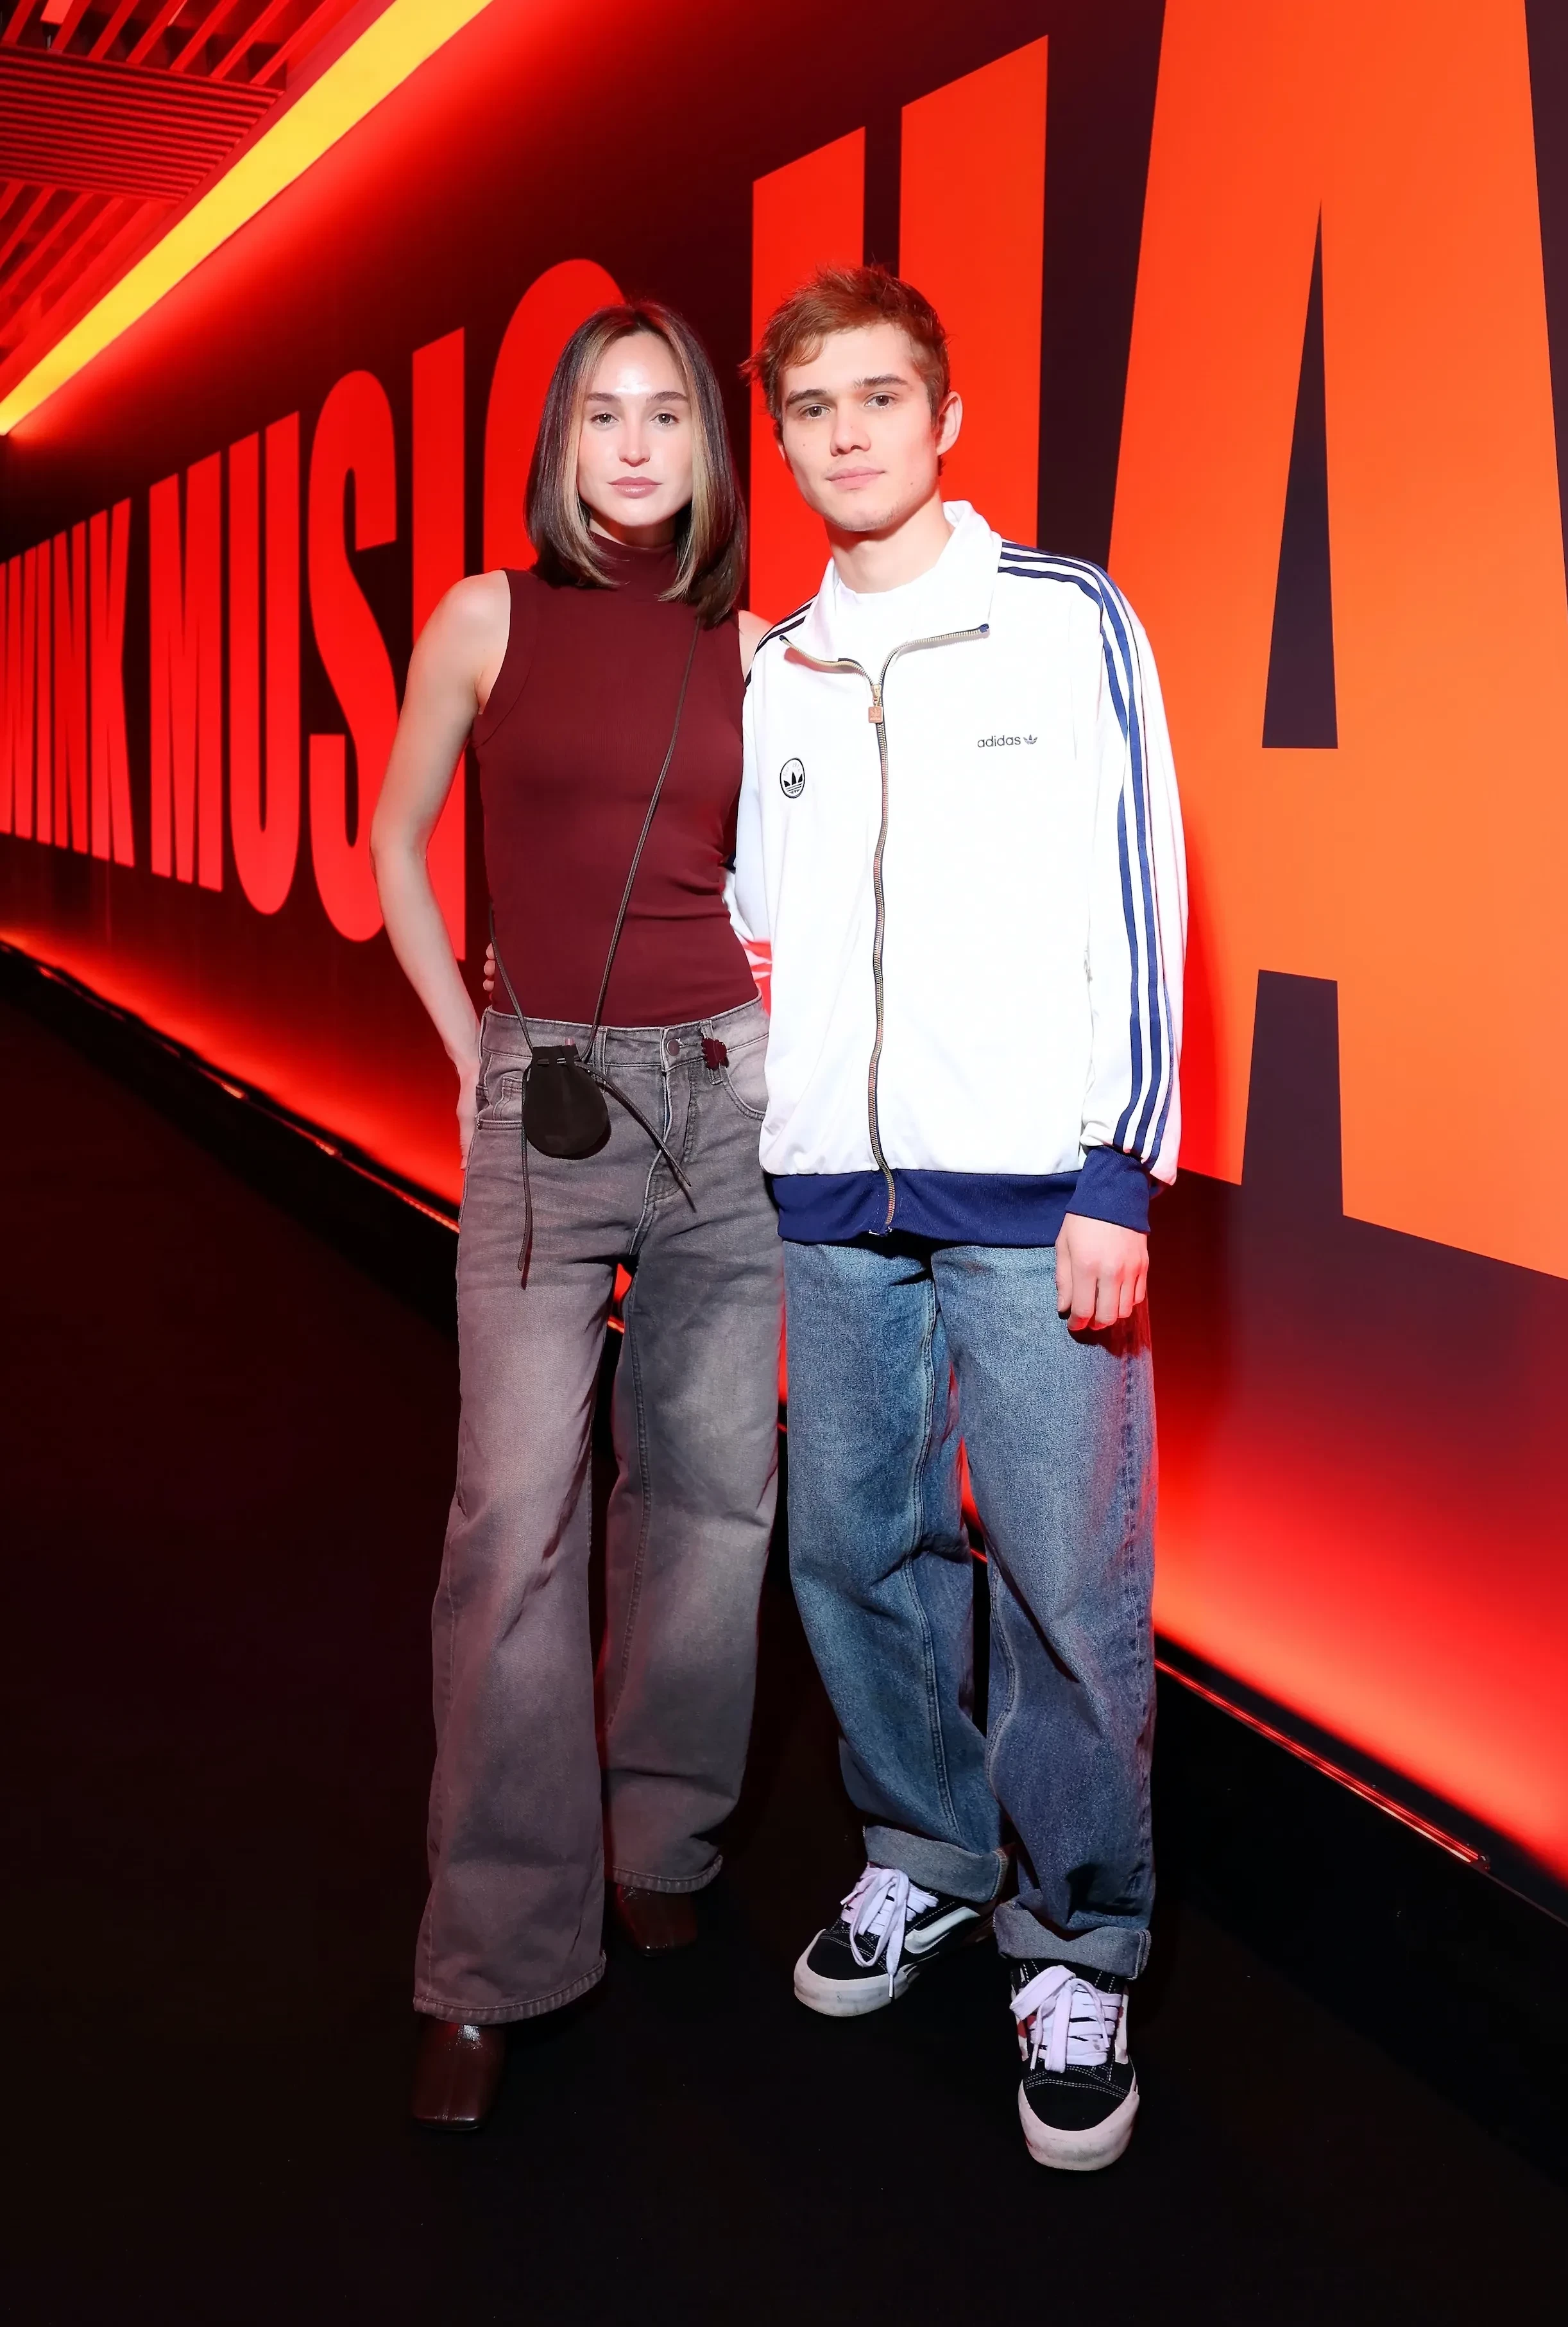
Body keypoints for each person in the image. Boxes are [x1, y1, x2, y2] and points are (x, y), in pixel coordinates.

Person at [730, 267, 1186, 2171]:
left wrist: (1116, 1166)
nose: (845, 432)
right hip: (834, 1201)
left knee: (1066, 1580)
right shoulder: (773, 670)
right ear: (782, 440)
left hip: (1036, 1200)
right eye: (810, 405)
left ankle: (1076, 1939)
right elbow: (756, 921)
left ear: (946, 418)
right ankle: (923, 1850)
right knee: (851, 1544)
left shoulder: (1061, 618)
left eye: (877, 396)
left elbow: (1140, 892)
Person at [371, 301, 783, 2133]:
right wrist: (476, 1054)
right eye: (602, 415)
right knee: (511, 1525)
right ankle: (492, 1956)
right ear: (560, 446)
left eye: (666, 414)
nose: (633, 444)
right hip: (542, 1102)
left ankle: (658, 1841)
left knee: (710, 1496)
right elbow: (395, 845)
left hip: (724, 1097)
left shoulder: (754, 648)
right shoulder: (487, 616)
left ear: (707, 447)